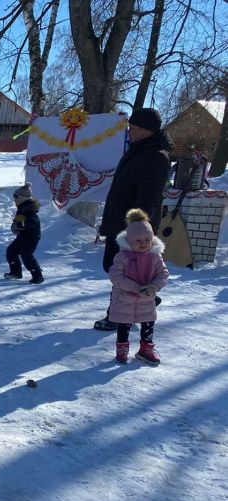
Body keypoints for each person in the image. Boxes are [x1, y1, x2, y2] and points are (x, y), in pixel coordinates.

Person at [95, 107, 172, 331]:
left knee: (121, 271)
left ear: (148, 130)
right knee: (112, 266)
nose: (130, 130)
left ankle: (118, 316)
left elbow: (149, 198)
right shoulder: (139, 149)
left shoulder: (155, 156)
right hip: (120, 222)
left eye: (134, 127)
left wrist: (136, 230)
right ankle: (145, 296)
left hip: (131, 228)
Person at [109, 209, 169, 365]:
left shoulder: (155, 257)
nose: (143, 243)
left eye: (147, 239)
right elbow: (115, 276)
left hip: (146, 299)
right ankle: (122, 349)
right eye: (138, 240)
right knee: (124, 324)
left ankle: (146, 349)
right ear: (129, 241)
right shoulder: (122, 257)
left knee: (148, 323)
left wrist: (153, 287)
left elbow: (163, 274)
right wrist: (136, 287)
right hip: (124, 299)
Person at [3, 182, 44, 284]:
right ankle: (16, 273)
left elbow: (31, 222)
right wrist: (14, 226)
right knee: (11, 251)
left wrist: (19, 225)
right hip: (22, 237)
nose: (14, 200)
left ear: (22, 198)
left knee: (27, 255)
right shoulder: (21, 209)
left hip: (31, 238)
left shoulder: (30, 208)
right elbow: (18, 220)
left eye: (16, 198)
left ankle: (38, 276)